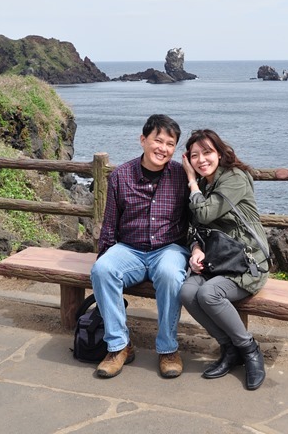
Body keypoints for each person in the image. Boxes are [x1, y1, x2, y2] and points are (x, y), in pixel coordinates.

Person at [90, 114, 191, 380]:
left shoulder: (181, 175)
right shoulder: (121, 175)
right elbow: (110, 223)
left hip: (169, 248)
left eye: (170, 144)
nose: (163, 148)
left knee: (170, 275)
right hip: (130, 249)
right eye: (158, 141)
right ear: (143, 140)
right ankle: (119, 347)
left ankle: (168, 349)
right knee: (102, 269)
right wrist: (105, 257)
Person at [181, 129, 269, 391]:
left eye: (207, 152)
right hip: (219, 261)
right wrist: (196, 249)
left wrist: (190, 180)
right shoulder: (207, 184)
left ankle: (250, 350)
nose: (201, 160)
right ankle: (228, 348)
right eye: (194, 156)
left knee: (209, 293)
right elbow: (195, 227)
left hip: (248, 261)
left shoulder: (234, 178)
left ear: (219, 153)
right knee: (186, 292)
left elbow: (206, 214)